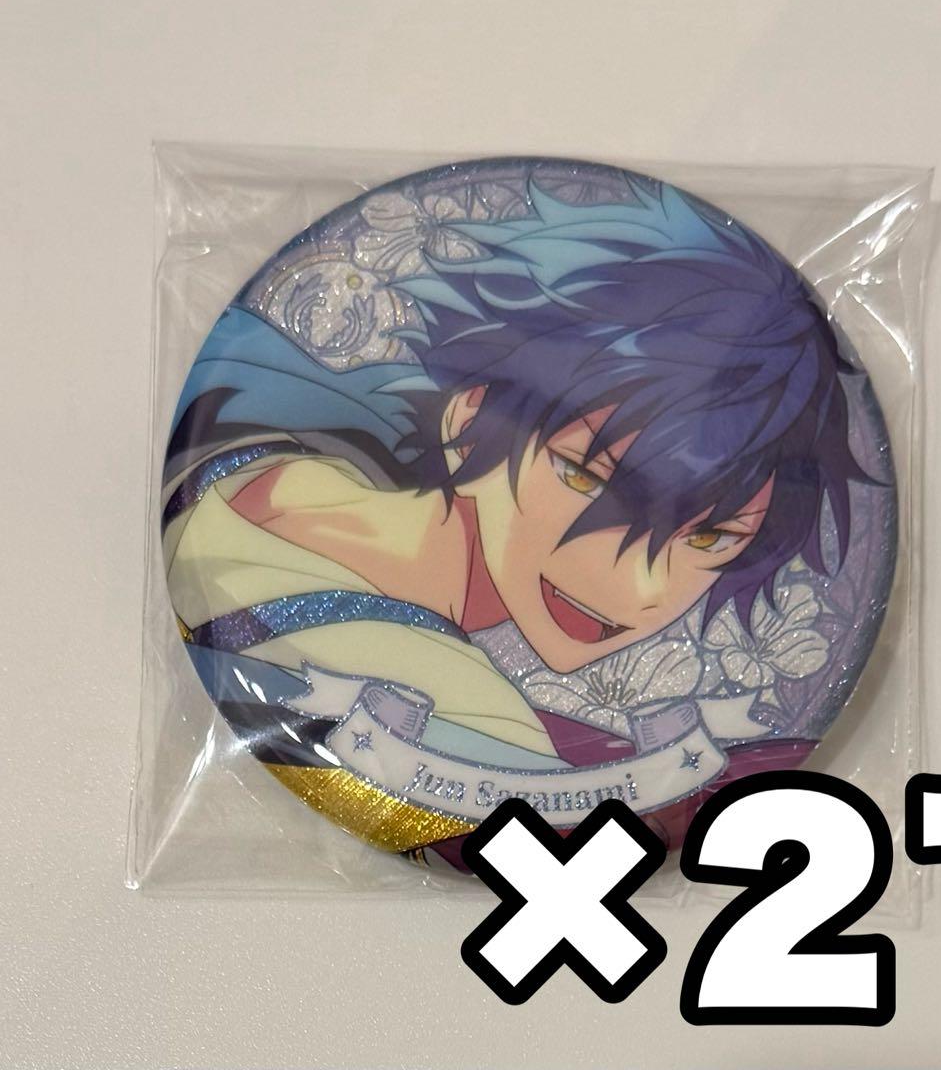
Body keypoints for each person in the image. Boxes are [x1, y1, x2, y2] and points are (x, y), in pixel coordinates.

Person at [162, 177, 869, 861]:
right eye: (582, 474)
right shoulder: (473, 718)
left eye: (711, 537)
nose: (633, 586)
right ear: (468, 418)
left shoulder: (261, 468)